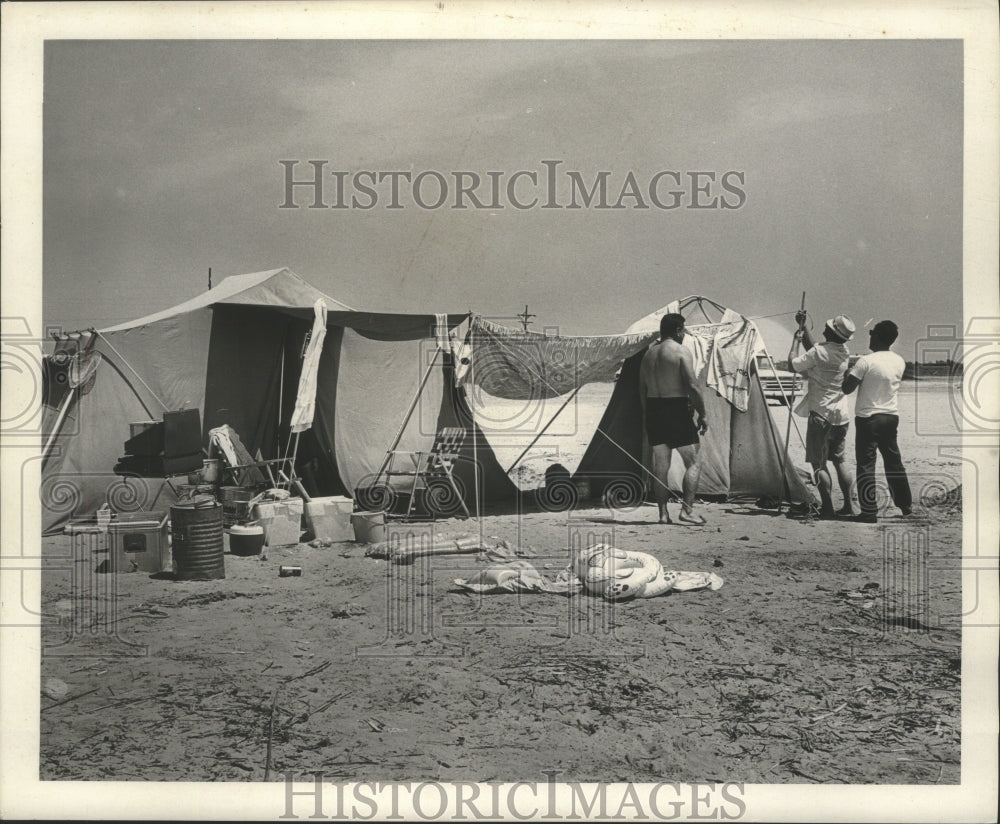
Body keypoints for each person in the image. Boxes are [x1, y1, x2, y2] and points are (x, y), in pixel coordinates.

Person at [638, 313, 708, 525]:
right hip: (675, 407)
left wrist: (647, 413)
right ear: (678, 330)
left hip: (653, 408)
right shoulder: (680, 351)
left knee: (661, 464)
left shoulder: (648, 355)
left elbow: (642, 389)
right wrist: (702, 413)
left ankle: (662, 514)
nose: (684, 334)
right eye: (683, 331)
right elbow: (692, 385)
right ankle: (686, 510)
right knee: (694, 461)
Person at [842, 320, 913, 523]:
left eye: (872, 334)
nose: (870, 337)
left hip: (868, 418)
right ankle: (905, 505)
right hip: (890, 416)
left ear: (878, 336)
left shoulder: (866, 361)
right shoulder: (899, 360)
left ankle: (869, 511)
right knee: (893, 462)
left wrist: (847, 373)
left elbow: (847, 388)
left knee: (865, 463)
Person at [788, 311, 857, 517]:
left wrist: (795, 341)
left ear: (831, 332)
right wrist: (803, 326)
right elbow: (816, 348)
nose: (824, 329)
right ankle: (849, 506)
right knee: (840, 461)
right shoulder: (844, 351)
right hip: (840, 416)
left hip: (820, 414)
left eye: (827, 328)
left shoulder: (819, 352)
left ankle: (827, 507)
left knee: (819, 463)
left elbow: (793, 364)